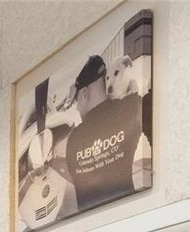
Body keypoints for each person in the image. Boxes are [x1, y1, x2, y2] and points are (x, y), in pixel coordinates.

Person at [63, 54, 150, 211]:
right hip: (130, 214)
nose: (76, 107)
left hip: (88, 226)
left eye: (76, 102)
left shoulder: (74, 139)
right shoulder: (132, 107)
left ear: (84, 94)